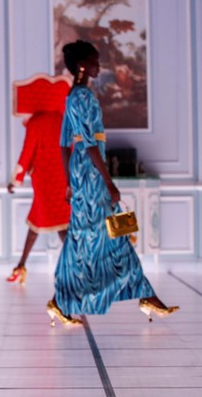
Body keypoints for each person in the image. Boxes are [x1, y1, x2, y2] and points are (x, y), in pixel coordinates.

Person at [46, 40, 178, 326]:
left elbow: (63, 145)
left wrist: (70, 183)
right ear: (83, 65)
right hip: (92, 175)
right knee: (108, 234)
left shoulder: (73, 96)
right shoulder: (82, 97)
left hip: (83, 176)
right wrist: (108, 182)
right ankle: (140, 294)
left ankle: (140, 293)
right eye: (95, 61)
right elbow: (90, 144)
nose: (99, 66)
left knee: (90, 237)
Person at [6, 86, 70, 286]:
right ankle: (77, 268)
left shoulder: (35, 123)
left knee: (42, 221)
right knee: (59, 223)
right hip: (62, 177)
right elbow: (72, 149)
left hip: (43, 178)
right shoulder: (62, 121)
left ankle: (21, 267)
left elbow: (27, 152)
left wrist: (16, 179)